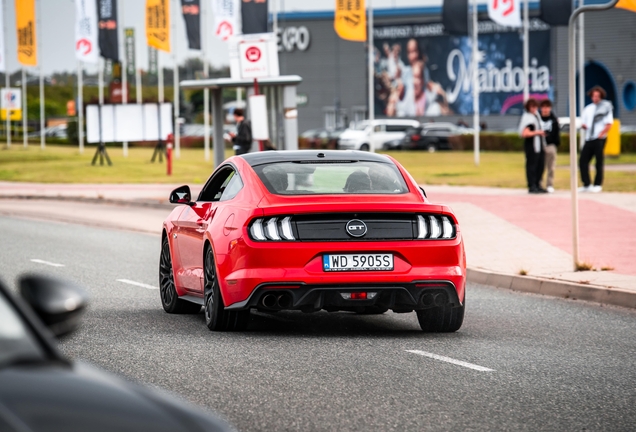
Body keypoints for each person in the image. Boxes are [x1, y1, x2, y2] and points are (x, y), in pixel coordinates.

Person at [580, 86, 613, 193]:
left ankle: (597, 184)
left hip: (599, 138)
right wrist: (584, 126)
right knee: (583, 161)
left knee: (599, 162)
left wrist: (601, 134)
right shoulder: (588, 108)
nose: (596, 98)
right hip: (589, 138)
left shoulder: (605, 107)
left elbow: (609, 123)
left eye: (598, 96)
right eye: (594, 96)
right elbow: (583, 122)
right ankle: (587, 184)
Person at [519, 98, 547, 194]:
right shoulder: (528, 118)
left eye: (535, 106)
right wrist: (538, 132)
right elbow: (525, 133)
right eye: (532, 107)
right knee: (532, 166)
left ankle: (538, 184)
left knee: (540, 165)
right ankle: (532, 185)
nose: (534, 109)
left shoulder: (536, 116)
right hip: (532, 145)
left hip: (539, 144)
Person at [539, 100, 560, 193]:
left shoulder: (554, 120)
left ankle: (549, 185)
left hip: (550, 145)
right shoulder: (537, 118)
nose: (545, 109)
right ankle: (538, 184)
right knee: (540, 166)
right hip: (539, 145)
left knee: (550, 167)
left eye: (547, 107)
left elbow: (556, 133)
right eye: (543, 107)